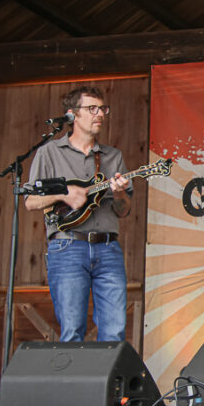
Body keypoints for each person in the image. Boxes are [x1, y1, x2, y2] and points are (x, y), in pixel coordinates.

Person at [25, 86, 131, 342]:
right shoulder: (49, 152)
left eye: (103, 109)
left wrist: (118, 194)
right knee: (72, 331)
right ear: (72, 115)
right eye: (91, 109)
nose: (100, 114)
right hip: (67, 246)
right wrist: (64, 194)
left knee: (114, 331)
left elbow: (124, 210)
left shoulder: (112, 156)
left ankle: (107, 383)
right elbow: (30, 201)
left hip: (108, 248)